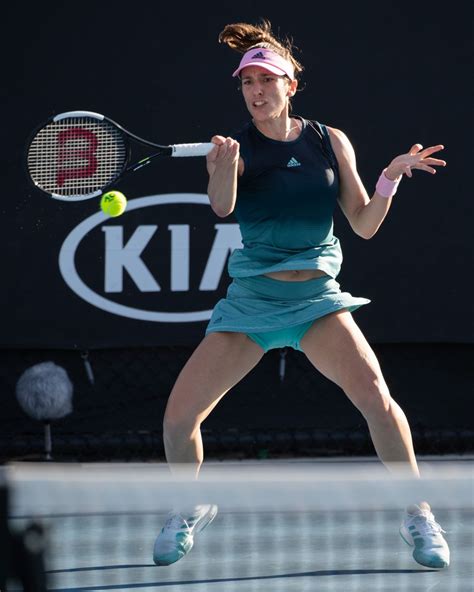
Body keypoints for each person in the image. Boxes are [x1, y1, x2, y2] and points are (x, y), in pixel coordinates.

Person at [153, 19, 449, 569]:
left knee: (378, 402)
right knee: (178, 420)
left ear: (290, 85)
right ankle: (188, 503)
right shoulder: (236, 147)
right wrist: (221, 168)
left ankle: (418, 514)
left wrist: (390, 177)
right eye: (247, 83)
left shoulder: (329, 140)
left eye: (267, 80)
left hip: (317, 303)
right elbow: (222, 208)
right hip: (251, 306)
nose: (256, 91)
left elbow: (362, 224)